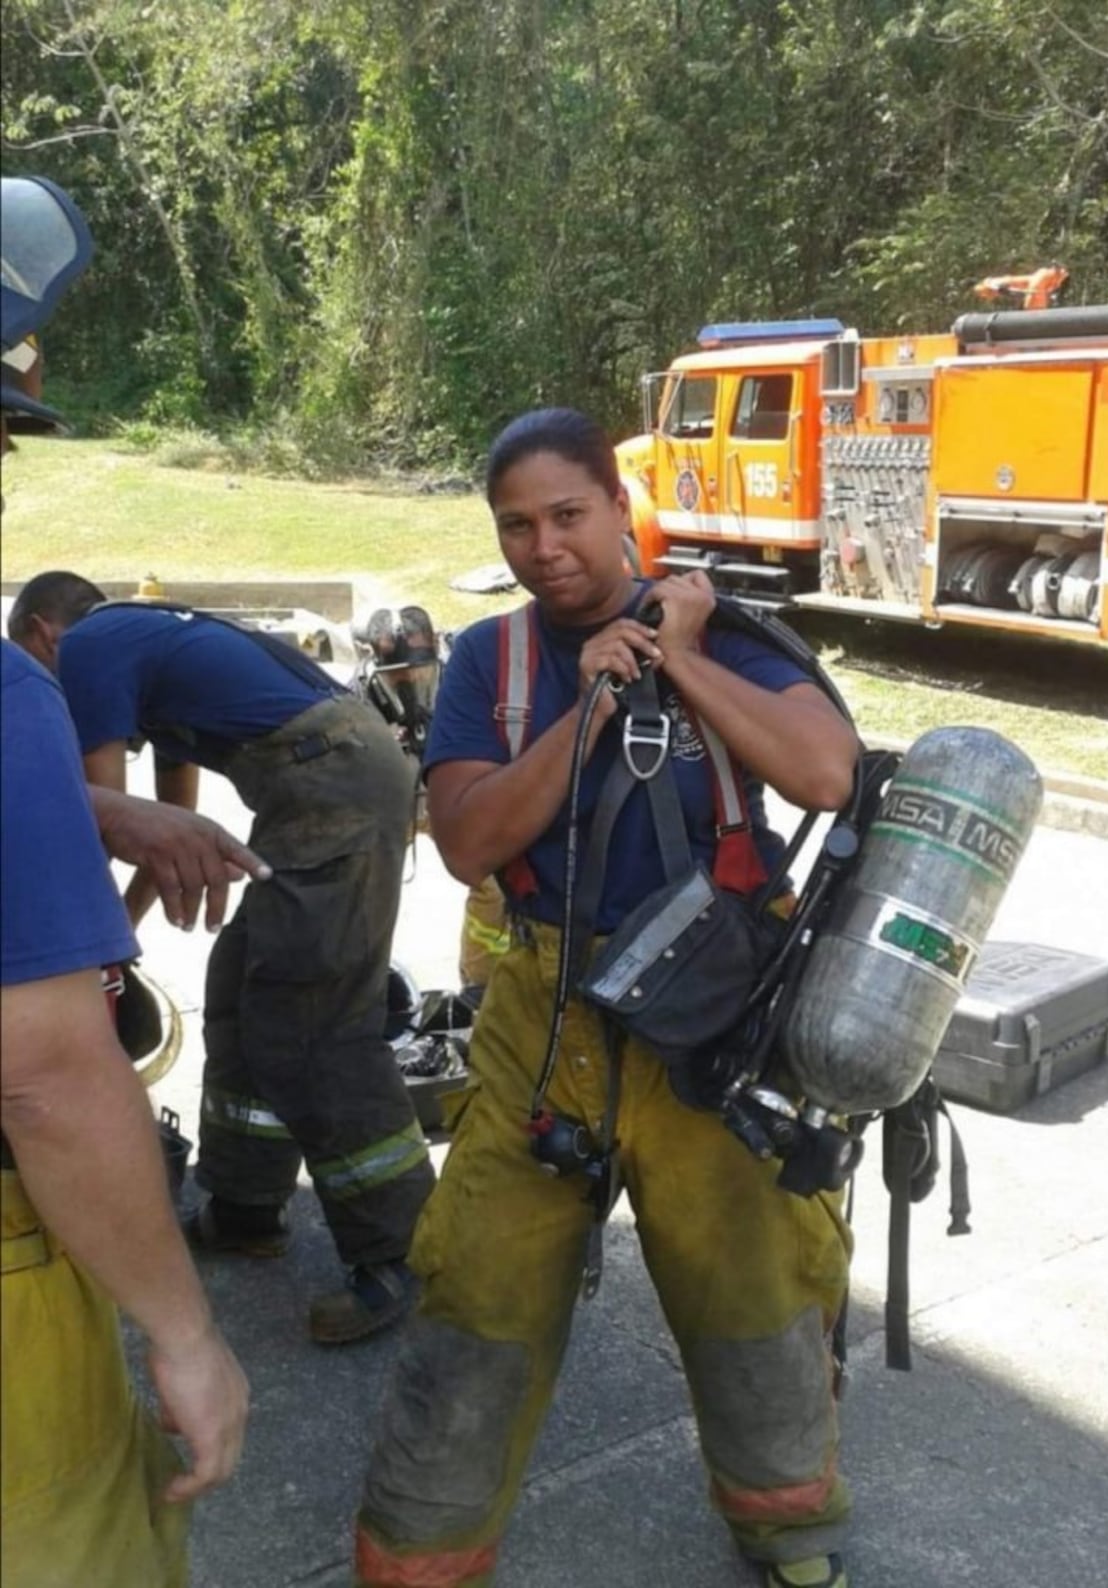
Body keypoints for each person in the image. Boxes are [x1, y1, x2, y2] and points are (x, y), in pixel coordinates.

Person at [355, 408, 862, 1588]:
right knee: (480, 1284)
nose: (545, 547)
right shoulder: (497, 660)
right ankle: (424, 1556)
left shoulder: (729, 634)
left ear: (619, 511)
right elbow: (471, 841)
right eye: (517, 525)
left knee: (753, 1280)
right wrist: (587, 711)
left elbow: (826, 772)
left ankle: (787, 1524)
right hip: (546, 1022)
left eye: (568, 515)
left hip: (717, 1028)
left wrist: (674, 655)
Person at [1, 173, 248, 1588]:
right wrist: (187, 1332)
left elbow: (161, 799)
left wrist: (118, 834)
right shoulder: (38, 685)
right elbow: (40, 1066)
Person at [8, 568, 439, 1343]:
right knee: (241, 985)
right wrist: (123, 941)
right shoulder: (145, 645)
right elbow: (167, 822)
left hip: (333, 786)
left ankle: (404, 1250)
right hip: (321, 784)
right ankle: (244, 1206)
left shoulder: (89, 648)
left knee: (311, 1020)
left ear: (43, 634)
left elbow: (90, 824)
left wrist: (84, 954)